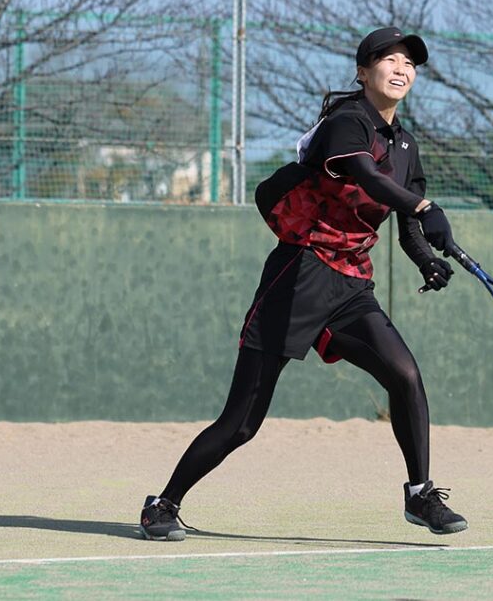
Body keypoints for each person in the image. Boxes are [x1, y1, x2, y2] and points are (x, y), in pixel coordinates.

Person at [139, 27, 468, 541]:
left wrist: (427, 259)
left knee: (405, 374)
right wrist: (426, 207)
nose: (401, 69)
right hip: (299, 274)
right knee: (242, 423)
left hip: (352, 285)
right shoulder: (347, 123)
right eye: (389, 59)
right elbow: (368, 179)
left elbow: (406, 228)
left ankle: (420, 494)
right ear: (363, 72)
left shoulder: (405, 145)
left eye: (410, 63)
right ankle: (162, 505)